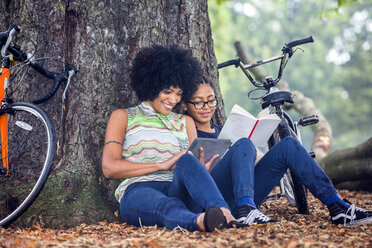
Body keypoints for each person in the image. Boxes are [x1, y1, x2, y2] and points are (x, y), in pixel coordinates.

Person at [181, 76, 372, 227]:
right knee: (243, 144)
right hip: (213, 202)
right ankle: (245, 210)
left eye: (211, 101)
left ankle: (337, 206)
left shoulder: (224, 129)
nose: (206, 107)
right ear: (185, 105)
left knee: (289, 144)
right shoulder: (183, 131)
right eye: (198, 102)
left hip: (245, 196)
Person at [101, 46, 249, 232]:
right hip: (139, 189)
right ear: (151, 86)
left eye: (179, 94)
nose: (173, 100)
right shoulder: (124, 116)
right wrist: (160, 165)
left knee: (186, 159)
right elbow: (109, 168)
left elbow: (190, 165)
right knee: (167, 206)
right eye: (167, 92)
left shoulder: (185, 121)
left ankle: (223, 212)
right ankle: (202, 221)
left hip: (179, 188)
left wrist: (201, 170)